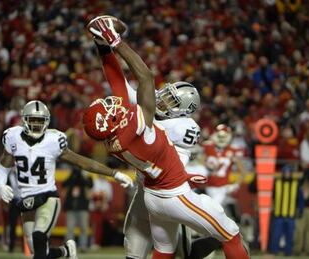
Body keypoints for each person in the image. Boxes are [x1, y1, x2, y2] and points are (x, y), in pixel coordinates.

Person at [84, 15, 249, 259]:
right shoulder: (144, 121)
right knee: (147, 247)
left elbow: (119, 84)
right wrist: (112, 40)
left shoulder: (128, 128)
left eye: (170, 98)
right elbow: (143, 80)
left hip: (152, 189)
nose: (161, 97)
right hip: (169, 191)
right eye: (165, 95)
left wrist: (102, 47)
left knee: (164, 250)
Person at [92, 35, 212, 258]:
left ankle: (217, 239)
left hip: (169, 191)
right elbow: (120, 84)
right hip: (142, 189)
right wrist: (104, 49)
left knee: (183, 254)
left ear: (184, 111)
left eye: (173, 102)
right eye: (167, 94)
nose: (163, 100)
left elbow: (152, 132)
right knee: (133, 251)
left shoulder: (184, 126)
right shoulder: (151, 107)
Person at [0, 100, 133, 259]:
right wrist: (0, 185)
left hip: (48, 197)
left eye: (40, 121)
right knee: (36, 251)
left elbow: (83, 162)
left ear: (47, 122)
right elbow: (3, 167)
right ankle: (65, 251)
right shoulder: (12, 137)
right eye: (32, 120)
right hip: (26, 200)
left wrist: (114, 173)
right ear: (24, 120)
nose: (36, 125)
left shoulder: (54, 140)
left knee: (39, 237)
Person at [202, 124, 246, 206]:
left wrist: (236, 185)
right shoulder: (207, 147)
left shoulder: (233, 150)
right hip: (207, 187)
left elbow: (243, 170)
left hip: (222, 187)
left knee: (213, 209)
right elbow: (199, 163)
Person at [270, 164, 303, 256]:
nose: (287, 174)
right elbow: (271, 197)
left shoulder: (296, 184)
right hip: (278, 214)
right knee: (276, 235)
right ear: (283, 173)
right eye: (285, 172)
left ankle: (288, 252)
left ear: (291, 173)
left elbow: (300, 199)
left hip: (290, 215)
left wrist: (301, 210)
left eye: (289, 172)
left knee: (290, 235)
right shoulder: (277, 183)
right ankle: (274, 251)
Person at [62, 167, 93, 252]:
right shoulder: (72, 178)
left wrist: (82, 176)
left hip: (82, 207)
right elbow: (64, 184)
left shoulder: (86, 178)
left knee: (83, 228)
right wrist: (73, 175)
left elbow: (90, 184)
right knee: (70, 228)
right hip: (71, 207)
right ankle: (69, 247)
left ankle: (83, 246)